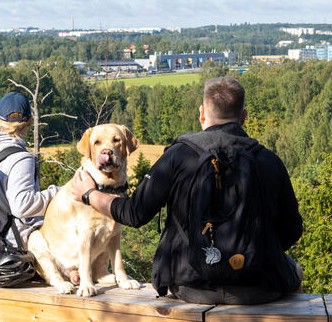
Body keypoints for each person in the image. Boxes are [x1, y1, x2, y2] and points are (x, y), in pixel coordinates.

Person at [68, 76, 303, 304]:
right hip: (259, 287)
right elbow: (292, 231)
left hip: (189, 286)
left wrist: (90, 194)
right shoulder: (268, 160)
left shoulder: (178, 156)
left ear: (201, 113)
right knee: (294, 269)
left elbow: (135, 213)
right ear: (243, 117)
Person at [0, 92, 59, 286]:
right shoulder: (21, 159)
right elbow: (22, 206)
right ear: (30, 122)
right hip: (15, 252)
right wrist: (56, 193)